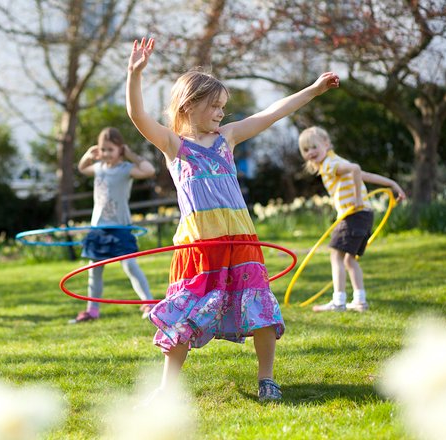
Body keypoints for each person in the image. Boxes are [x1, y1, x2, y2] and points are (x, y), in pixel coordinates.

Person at [126, 37, 339, 401]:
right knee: (184, 314)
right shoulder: (175, 146)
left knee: (260, 306)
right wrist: (135, 76)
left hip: (241, 241)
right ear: (189, 105)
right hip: (199, 247)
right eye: (215, 106)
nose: (222, 113)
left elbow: (272, 113)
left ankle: (267, 379)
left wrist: (314, 90)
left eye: (224, 107)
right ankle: (167, 387)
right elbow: (138, 116)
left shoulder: (228, 138)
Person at [298, 126, 406, 313]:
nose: (310, 152)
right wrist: (392, 183)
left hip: (354, 214)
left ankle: (338, 302)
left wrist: (356, 198)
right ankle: (359, 301)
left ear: (326, 144)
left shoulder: (331, 164)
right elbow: (364, 174)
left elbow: (356, 169)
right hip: (364, 214)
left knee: (335, 255)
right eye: (306, 150)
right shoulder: (335, 163)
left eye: (314, 147)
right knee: (349, 259)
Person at [71, 127, 156, 323]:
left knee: (130, 266)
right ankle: (92, 310)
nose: (106, 153)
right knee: (94, 271)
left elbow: (149, 170)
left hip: (120, 228)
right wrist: (88, 155)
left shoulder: (126, 169)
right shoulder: (99, 167)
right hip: (98, 227)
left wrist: (131, 155)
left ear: (120, 149)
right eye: (103, 149)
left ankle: (149, 304)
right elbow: (82, 168)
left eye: (110, 149)